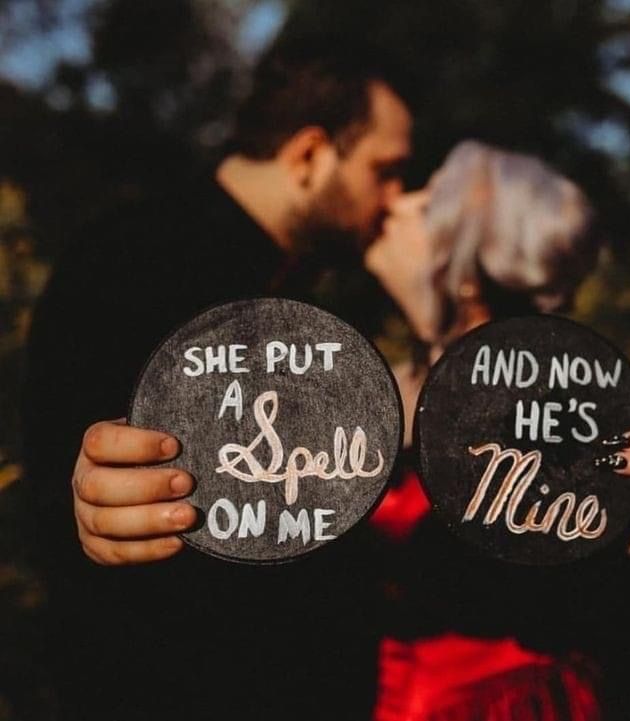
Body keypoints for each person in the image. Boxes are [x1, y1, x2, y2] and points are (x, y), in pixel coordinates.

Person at [22, 36, 412, 721]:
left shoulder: (307, 293)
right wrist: (90, 508)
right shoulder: (134, 261)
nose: (396, 198)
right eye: (386, 169)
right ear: (311, 155)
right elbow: (65, 488)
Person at [365, 141, 630, 720]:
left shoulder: (558, 404)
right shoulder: (368, 387)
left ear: (463, 266)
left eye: (425, 202)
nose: (395, 205)